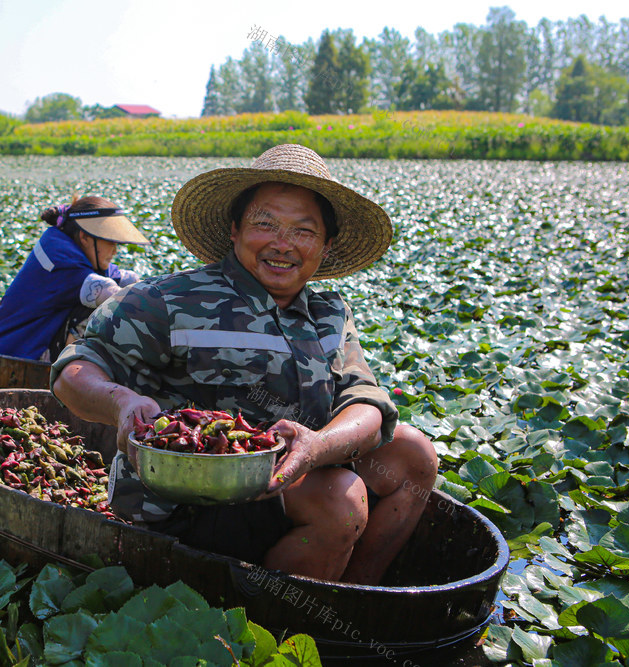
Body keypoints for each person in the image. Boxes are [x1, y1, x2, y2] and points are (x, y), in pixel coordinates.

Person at [50, 144, 438, 585]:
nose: (282, 244)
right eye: (265, 223)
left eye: (304, 231)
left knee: (412, 453)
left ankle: (353, 597)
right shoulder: (168, 301)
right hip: (193, 497)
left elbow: (365, 402)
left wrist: (316, 447)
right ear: (234, 230)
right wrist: (120, 402)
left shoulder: (330, 314)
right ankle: (270, 620)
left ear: (326, 246)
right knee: (340, 501)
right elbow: (75, 367)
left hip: (296, 476)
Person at [0, 195, 149, 361]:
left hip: (37, 346)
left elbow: (127, 279)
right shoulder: (58, 254)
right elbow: (107, 291)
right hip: (17, 352)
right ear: (85, 237)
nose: (115, 251)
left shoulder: (84, 254)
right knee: (97, 309)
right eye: (110, 242)